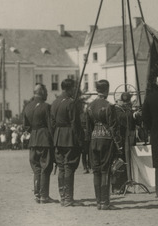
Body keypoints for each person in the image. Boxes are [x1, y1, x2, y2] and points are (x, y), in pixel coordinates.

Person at [85, 80, 119, 210]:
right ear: (107, 90)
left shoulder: (89, 106)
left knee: (96, 171)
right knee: (105, 170)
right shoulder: (109, 106)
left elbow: (87, 128)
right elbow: (114, 126)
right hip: (106, 139)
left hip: (93, 140)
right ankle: (105, 202)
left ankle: (98, 201)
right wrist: (118, 145)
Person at [51, 78, 84, 207]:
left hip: (58, 137)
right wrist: (80, 139)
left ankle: (63, 196)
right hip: (69, 137)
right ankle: (69, 198)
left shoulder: (55, 102)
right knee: (69, 166)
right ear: (70, 89)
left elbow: (52, 123)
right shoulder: (71, 103)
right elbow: (75, 123)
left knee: (61, 167)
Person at [22, 83, 55, 204]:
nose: (47, 94)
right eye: (45, 91)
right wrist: (53, 140)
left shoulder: (27, 107)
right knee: (45, 168)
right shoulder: (46, 107)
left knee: (36, 168)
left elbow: (25, 126)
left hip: (33, 140)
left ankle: (37, 194)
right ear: (41, 92)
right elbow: (50, 125)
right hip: (44, 139)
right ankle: (44, 195)